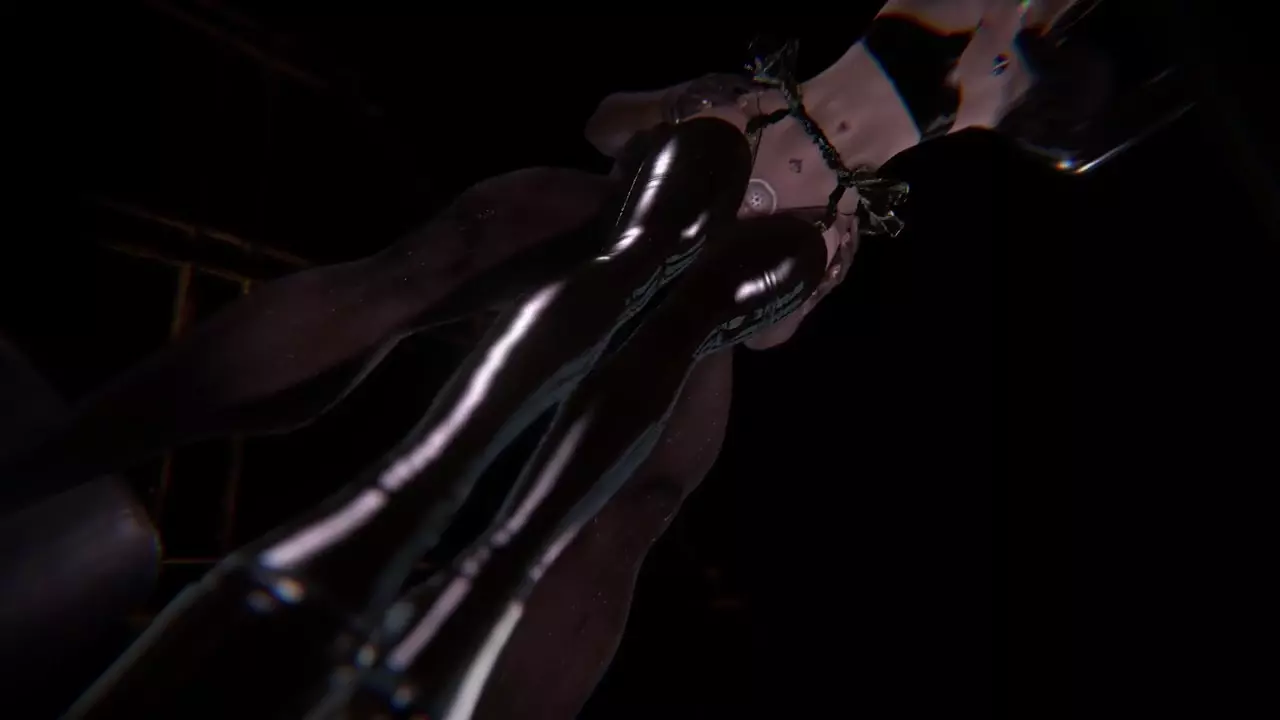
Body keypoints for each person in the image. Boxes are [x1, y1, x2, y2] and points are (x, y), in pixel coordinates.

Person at [3, 1, 1133, 717]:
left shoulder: (1064, 52)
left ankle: (436, 662)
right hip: (724, 147)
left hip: (796, 225)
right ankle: (45, 470)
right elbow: (612, 123)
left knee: (636, 500)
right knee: (436, 269)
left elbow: (1072, 126)